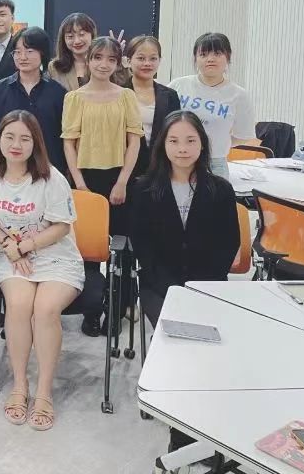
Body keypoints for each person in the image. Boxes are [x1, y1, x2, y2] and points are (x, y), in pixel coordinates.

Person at [129, 110, 239, 456]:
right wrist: (174, 291)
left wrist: (200, 290)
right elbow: (143, 248)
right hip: (159, 286)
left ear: (202, 145)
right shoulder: (144, 189)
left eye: (191, 140)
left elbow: (229, 244)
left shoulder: (220, 189)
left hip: (208, 286)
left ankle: (202, 419)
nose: (182, 148)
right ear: (162, 145)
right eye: (174, 141)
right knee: (180, 339)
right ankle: (182, 435)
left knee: (204, 345)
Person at [0, 110, 84, 431]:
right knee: (19, 305)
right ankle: (20, 385)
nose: (16, 144)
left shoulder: (52, 178)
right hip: (13, 255)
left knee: (45, 309)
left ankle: (44, 391)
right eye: (9, 137)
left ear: (36, 143)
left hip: (56, 256)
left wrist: (26, 246)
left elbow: (62, 227)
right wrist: (8, 243)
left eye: (24, 138)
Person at [61, 37, 142, 336]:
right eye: (98, 57)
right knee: (87, 250)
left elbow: (134, 141)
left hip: (119, 178)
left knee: (122, 249)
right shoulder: (74, 98)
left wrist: (122, 181)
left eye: (111, 59)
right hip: (85, 179)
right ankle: (91, 311)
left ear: (118, 63)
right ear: (89, 60)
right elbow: (69, 144)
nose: (103, 64)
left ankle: (118, 310)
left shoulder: (126, 96)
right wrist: (80, 184)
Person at [168, 33, 256, 181]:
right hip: (176, 161)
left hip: (214, 164)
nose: (210, 59)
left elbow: (242, 136)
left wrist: (217, 143)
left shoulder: (239, 95)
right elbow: (164, 124)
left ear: (228, 57)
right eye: (203, 54)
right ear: (195, 58)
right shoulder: (178, 86)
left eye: (217, 54)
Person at [0, 27, 67, 174]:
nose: (22, 57)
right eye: (17, 52)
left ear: (42, 53)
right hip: (8, 171)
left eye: (29, 51)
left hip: (48, 171)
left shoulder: (58, 93)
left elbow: (62, 138)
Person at [123, 35, 180, 178]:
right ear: (129, 61)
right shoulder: (118, 93)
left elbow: (175, 134)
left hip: (161, 171)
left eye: (153, 58)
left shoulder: (170, 95)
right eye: (141, 58)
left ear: (160, 60)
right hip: (124, 171)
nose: (147, 63)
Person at [48, 12, 98, 92]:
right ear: (64, 39)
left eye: (81, 34)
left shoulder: (102, 63)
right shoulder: (55, 67)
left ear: (92, 35)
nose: (77, 41)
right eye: (70, 36)